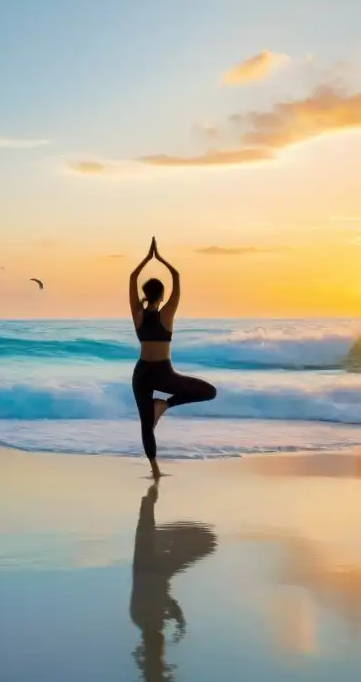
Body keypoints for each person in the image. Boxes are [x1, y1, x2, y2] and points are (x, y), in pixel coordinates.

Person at [129, 237, 217, 479]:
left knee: (146, 427)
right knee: (209, 391)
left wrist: (147, 259)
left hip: (142, 374)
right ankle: (165, 405)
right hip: (163, 373)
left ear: (146, 294)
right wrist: (160, 259)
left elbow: (132, 279)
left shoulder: (138, 314)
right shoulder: (167, 313)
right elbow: (177, 277)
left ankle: (155, 470)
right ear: (163, 295)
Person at [130, 482, 217, 681]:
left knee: (147, 526)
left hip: (152, 568)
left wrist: (176, 614)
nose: (163, 649)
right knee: (147, 525)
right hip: (153, 569)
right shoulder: (142, 619)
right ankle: (150, 496)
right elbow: (161, 597)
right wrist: (176, 614)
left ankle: (150, 497)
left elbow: (157, 595)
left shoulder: (146, 618)